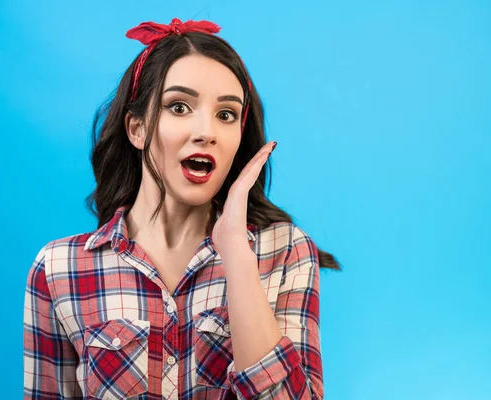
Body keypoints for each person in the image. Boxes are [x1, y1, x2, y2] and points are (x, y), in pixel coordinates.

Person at [23, 17, 340, 400]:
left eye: (225, 115)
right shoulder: (59, 269)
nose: (206, 130)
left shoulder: (285, 252)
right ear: (136, 128)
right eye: (179, 106)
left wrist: (236, 252)